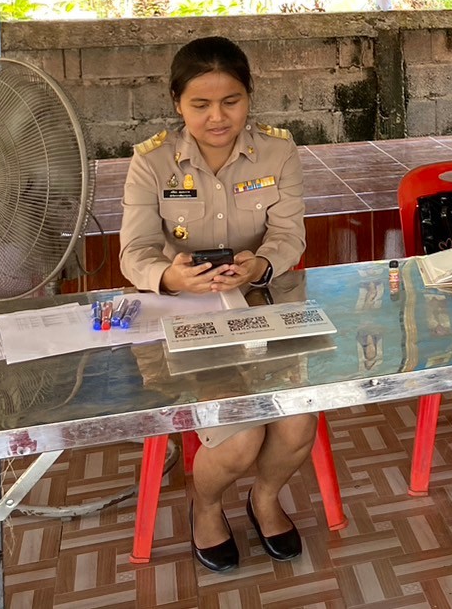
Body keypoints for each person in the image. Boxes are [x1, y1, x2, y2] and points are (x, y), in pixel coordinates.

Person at [121, 38, 314, 571]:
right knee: (241, 437)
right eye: (200, 105)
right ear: (177, 103)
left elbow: (289, 237)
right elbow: (133, 253)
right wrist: (169, 275)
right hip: (186, 317)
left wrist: (259, 266)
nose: (217, 117)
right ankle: (205, 505)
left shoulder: (278, 151)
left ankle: (265, 498)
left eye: (230, 101)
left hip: (265, 304)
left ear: (249, 96)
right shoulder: (152, 160)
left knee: (298, 427)